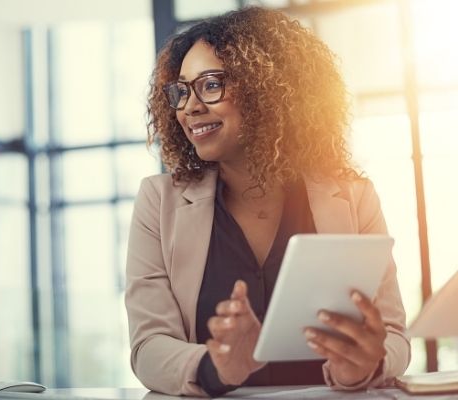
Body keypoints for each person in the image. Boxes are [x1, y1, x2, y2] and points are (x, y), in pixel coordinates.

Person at [125, 6, 410, 397]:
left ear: (268, 91)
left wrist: (365, 363)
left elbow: (393, 335)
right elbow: (148, 347)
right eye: (181, 90)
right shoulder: (158, 203)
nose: (189, 107)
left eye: (210, 84)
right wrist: (215, 366)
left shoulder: (353, 197)